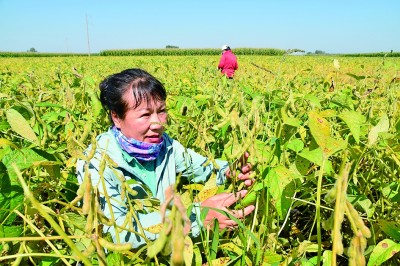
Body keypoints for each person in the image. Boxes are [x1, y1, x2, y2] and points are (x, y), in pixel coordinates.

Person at [76, 68, 255, 249]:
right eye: (145, 115)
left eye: (161, 111)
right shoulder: (95, 164)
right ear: (116, 117)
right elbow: (113, 232)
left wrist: (229, 171)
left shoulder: (165, 146)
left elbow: (205, 168)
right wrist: (196, 218)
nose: (158, 123)